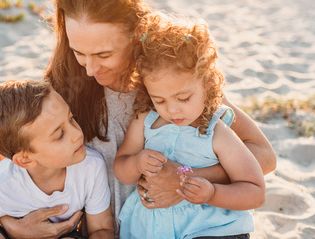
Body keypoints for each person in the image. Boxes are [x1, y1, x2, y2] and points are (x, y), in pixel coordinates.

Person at [0, 0, 276, 239]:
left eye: (104, 54)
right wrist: (8, 222)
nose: (90, 69)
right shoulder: (61, 90)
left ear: (137, 32)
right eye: (79, 52)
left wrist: (183, 181)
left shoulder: (170, 85)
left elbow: (262, 155)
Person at [114, 16, 266, 239]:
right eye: (160, 100)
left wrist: (213, 193)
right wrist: (136, 162)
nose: (172, 110)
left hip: (210, 229)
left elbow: (255, 192)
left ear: (207, 83)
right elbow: (121, 169)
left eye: (183, 98)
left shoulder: (217, 131)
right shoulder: (145, 121)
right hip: (151, 230)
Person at [0, 80, 114, 239]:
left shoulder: (91, 167)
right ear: (25, 160)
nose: (77, 134)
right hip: (2, 232)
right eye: (60, 134)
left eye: (71, 118)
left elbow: (101, 229)